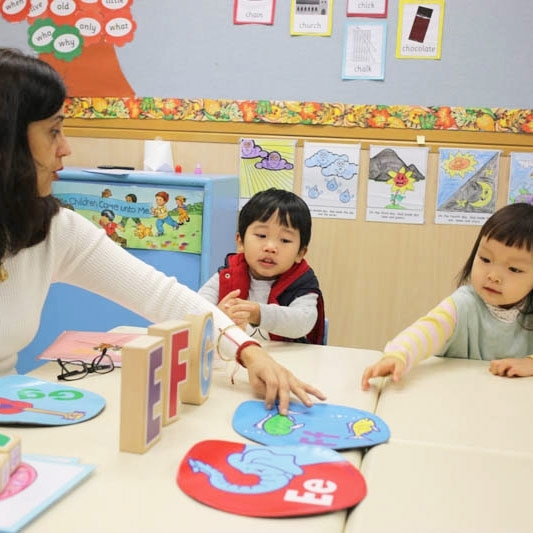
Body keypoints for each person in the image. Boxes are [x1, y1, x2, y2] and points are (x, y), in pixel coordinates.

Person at [0, 48, 326, 415]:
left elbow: (161, 295)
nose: (66, 148)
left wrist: (249, 352)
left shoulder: (53, 228)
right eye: (53, 131)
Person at [361, 202, 533, 390]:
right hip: (459, 394)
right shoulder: (463, 304)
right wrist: (398, 355)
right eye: (485, 259)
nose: (493, 276)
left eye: (514, 269)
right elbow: (427, 330)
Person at [199, 188, 325, 344]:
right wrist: (218, 315)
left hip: (284, 357)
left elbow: (303, 322)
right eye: (261, 235)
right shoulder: (227, 275)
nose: (270, 247)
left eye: (285, 240)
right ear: (240, 242)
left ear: (300, 253)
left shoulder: (301, 282)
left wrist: (258, 313)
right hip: (233, 355)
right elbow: (196, 309)